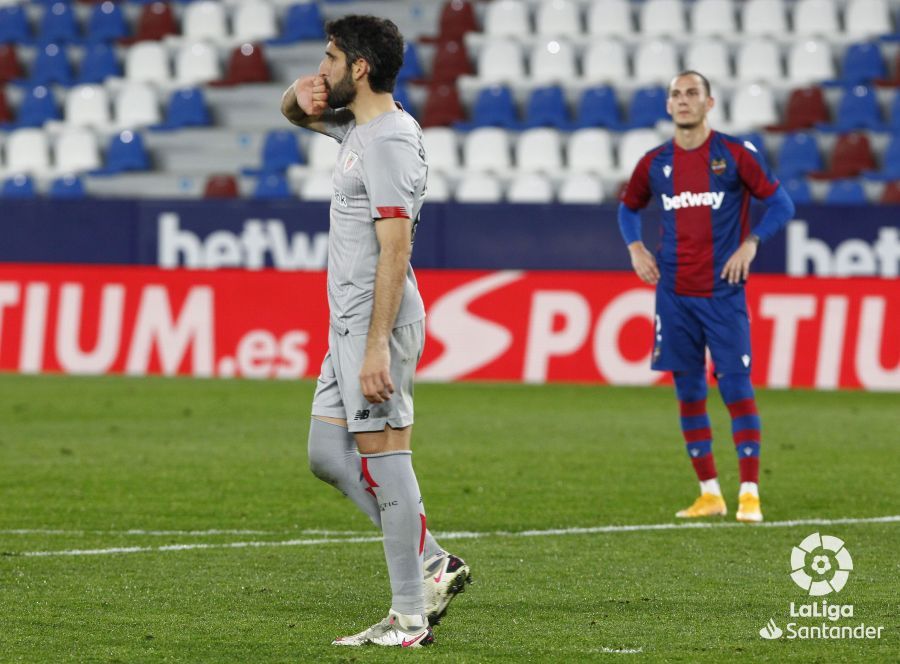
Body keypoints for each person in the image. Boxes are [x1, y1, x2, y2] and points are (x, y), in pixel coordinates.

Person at [280, 15, 470, 648]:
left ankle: (409, 618)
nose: (323, 67)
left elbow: (396, 248)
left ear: (359, 68)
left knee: (386, 460)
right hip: (349, 322)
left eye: (331, 58)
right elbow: (296, 113)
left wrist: (374, 347)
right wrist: (297, 92)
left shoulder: (388, 141)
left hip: (374, 324)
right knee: (327, 456)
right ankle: (433, 559)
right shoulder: (359, 128)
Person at [617, 71, 794, 523]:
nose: (683, 100)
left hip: (722, 293)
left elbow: (782, 203)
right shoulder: (655, 163)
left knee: (735, 388)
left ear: (709, 103)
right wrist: (636, 248)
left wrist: (751, 243)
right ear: (668, 105)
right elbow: (628, 207)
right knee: (690, 391)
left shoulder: (734, 154)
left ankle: (750, 493)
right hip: (674, 295)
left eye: (692, 93)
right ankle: (710, 493)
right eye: (676, 94)